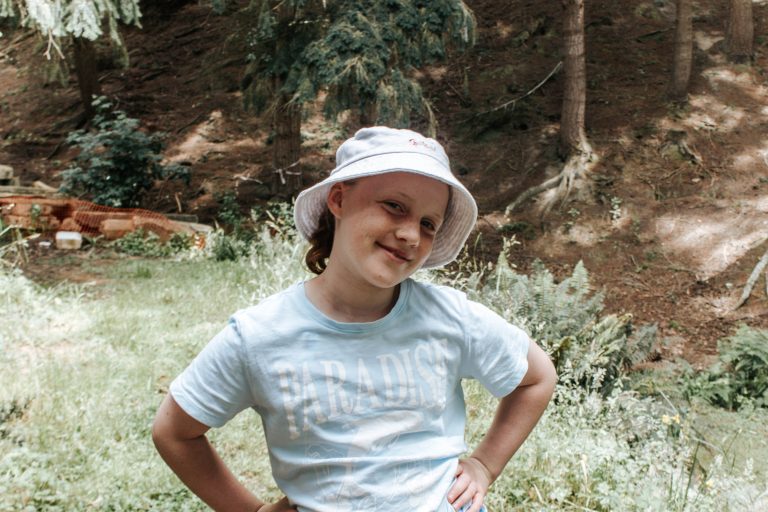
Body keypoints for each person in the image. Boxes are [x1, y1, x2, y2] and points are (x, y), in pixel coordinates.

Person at [152, 126, 557, 512]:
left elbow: (537, 377)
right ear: (339, 200)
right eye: (395, 206)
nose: (411, 235)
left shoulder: (450, 317)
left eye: (428, 224)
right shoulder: (260, 336)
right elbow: (174, 432)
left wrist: (484, 465)